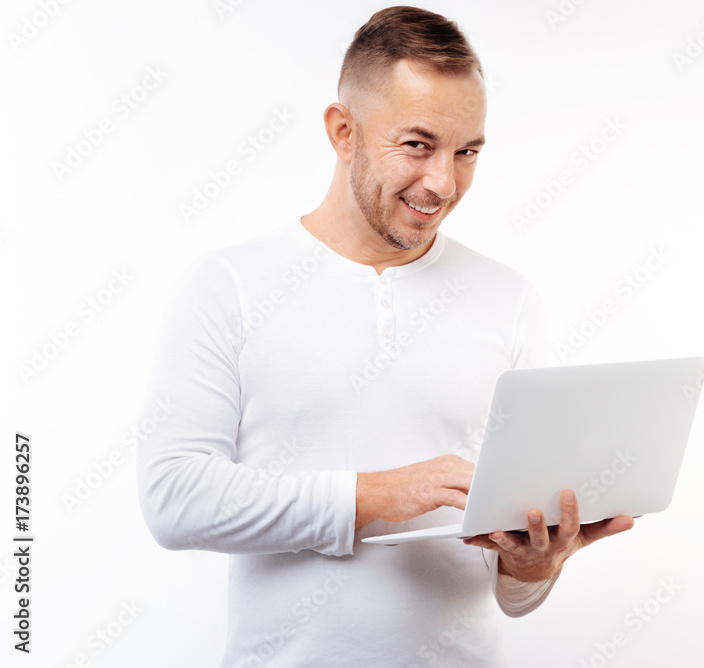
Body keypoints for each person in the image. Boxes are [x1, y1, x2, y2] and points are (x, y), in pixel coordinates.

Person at [136, 6, 633, 666]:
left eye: (467, 152)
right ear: (344, 132)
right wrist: (374, 496)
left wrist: (534, 566)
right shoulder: (228, 284)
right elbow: (174, 497)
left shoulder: (508, 299)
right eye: (418, 145)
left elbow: (509, 596)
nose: (443, 183)